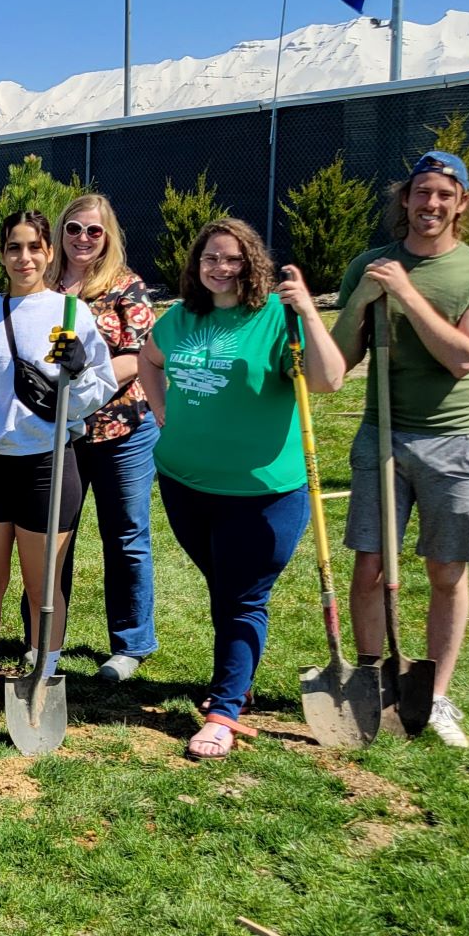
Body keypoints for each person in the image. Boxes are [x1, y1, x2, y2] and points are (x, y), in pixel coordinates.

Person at [140, 219, 343, 761]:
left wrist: (310, 314)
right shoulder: (182, 317)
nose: (220, 268)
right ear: (196, 265)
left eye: (231, 259)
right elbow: (149, 360)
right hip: (184, 483)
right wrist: (162, 412)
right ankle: (238, 678)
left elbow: (328, 380)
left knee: (243, 596)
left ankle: (224, 711)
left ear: (252, 263)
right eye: (210, 258)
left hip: (262, 494)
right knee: (227, 590)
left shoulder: (276, 318)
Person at [330, 150, 469, 748]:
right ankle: (374, 686)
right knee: (369, 566)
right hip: (380, 434)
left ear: (461, 204)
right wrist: (360, 300)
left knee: (445, 568)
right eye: (421, 193)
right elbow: (339, 361)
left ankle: (435, 696)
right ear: (404, 200)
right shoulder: (369, 264)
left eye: (444, 195)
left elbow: (464, 356)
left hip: (452, 439)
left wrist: (406, 293)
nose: (431, 204)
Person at [0, 210, 117, 732]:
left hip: (48, 463)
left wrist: (82, 366)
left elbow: (96, 390)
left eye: (35, 248)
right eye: (14, 248)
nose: (25, 258)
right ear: (2, 255)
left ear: (49, 254)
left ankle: (44, 676)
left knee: (45, 588)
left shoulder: (70, 313)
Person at [44, 194, 160, 681]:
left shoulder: (126, 287)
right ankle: (45, 642)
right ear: (60, 233)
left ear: (108, 235)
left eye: (94, 231)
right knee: (52, 538)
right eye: (74, 229)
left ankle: (131, 645)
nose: (84, 239)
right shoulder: (43, 287)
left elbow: (138, 357)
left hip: (120, 429)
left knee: (126, 535)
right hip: (57, 436)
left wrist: (80, 392)